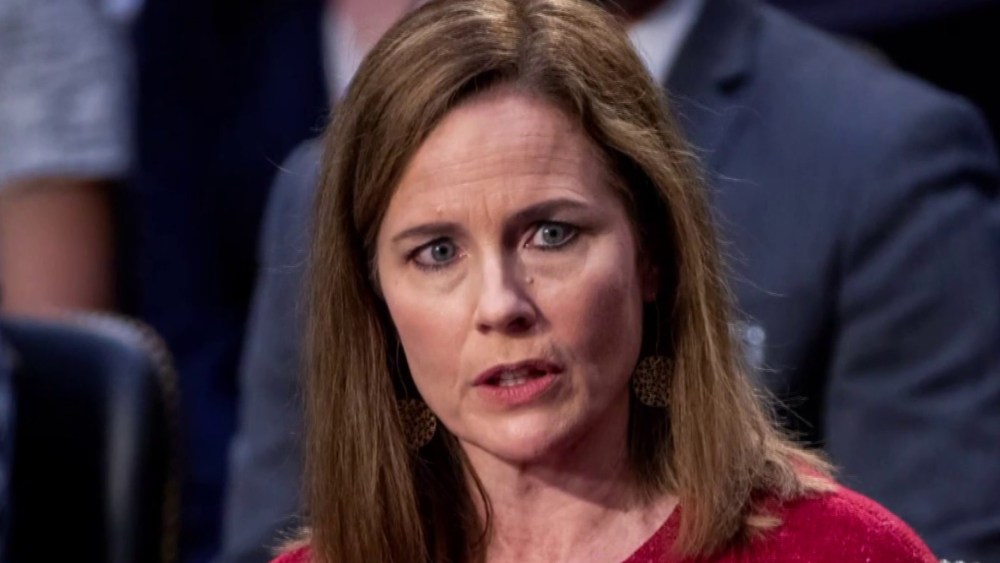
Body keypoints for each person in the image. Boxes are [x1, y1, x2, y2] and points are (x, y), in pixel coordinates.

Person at [226, 0, 1000, 560]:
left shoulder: (839, 549)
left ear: (652, 254)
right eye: (435, 252)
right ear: (375, 299)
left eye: (551, 235)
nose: (501, 304)